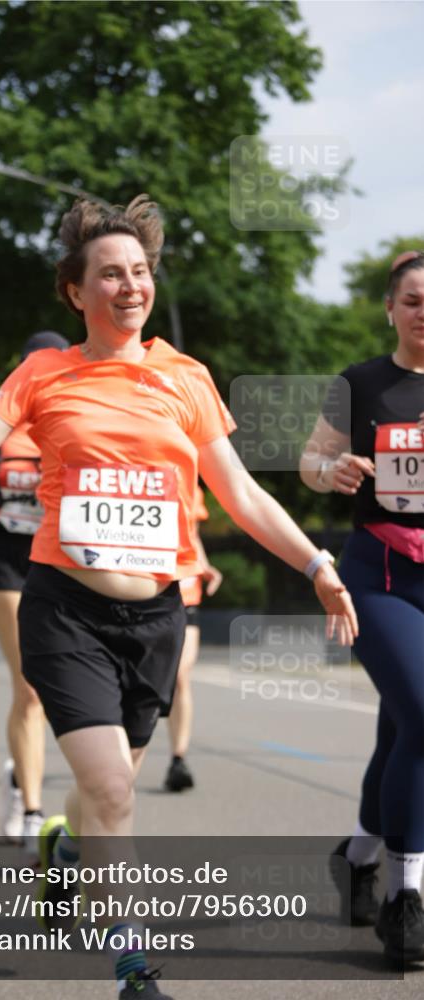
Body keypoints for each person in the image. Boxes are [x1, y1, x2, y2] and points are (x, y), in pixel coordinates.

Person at [0, 195, 357, 999]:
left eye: (139, 272)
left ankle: (61, 851)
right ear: (75, 291)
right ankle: (133, 964)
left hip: (156, 616)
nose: (129, 286)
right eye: (110, 274)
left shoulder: (185, 378)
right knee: (114, 791)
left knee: (108, 786)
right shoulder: (43, 374)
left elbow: (238, 494)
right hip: (64, 608)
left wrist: (315, 564)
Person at [300, 249, 424, 964]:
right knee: (423, 717)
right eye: (411, 300)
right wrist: (334, 469)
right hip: (379, 577)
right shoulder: (361, 384)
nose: (422, 311)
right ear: (389, 309)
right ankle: (405, 900)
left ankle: (356, 857)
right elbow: (310, 462)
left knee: (401, 732)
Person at [0, 331, 69, 859]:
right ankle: (31, 809)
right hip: (6, 562)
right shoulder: (2, 418)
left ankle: (16, 772)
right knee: (29, 687)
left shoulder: (72, 419)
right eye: (32, 364)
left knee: (53, 690)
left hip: (61, 561)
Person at [164, 487, 222, 792]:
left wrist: (204, 565)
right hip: (150, 589)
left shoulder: (192, 488)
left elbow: (193, 534)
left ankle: (178, 758)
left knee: (181, 675)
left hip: (187, 592)